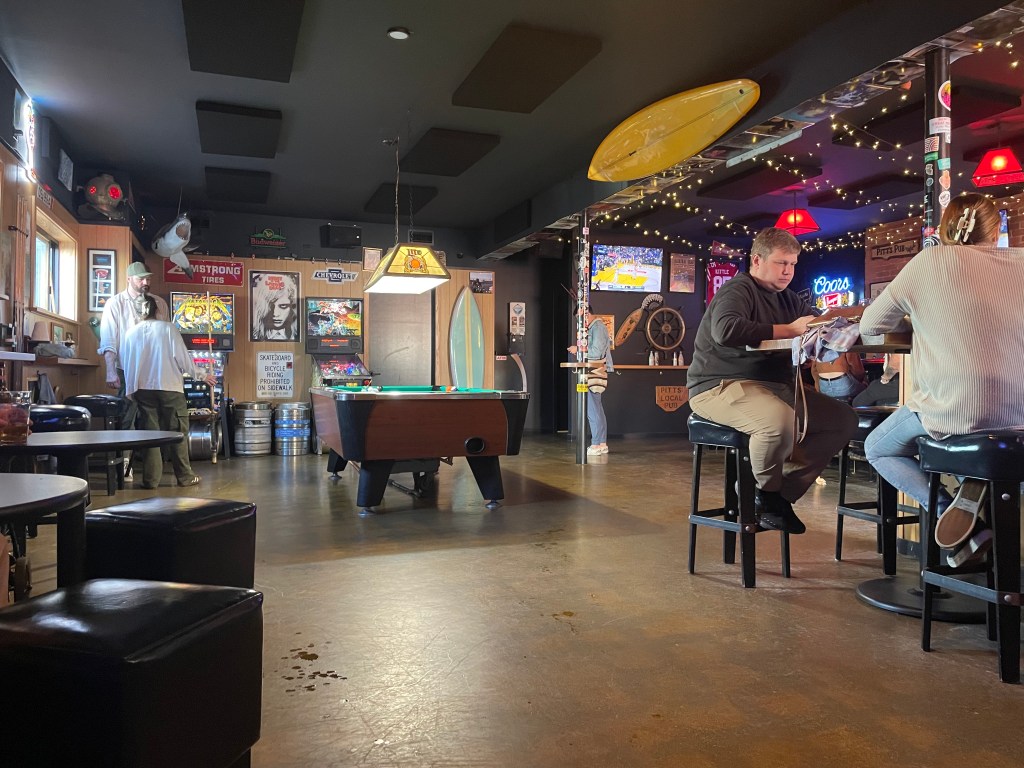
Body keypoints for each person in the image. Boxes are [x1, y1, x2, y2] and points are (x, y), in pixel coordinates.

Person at [862, 192, 1024, 567]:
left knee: (878, 447)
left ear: (946, 228)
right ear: (996, 229)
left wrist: (919, 315)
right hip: (1017, 415)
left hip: (958, 408)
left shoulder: (929, 262)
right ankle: (976, 483)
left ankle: (949, 509)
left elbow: (871, 325)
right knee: (984, 434)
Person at [686, 227, 859, 534]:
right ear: (756, 260)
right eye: (781, 263)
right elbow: (726, 331)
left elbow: (813, 327)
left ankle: (773, 497)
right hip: (720, 384)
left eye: (793, 264)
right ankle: (765, 495)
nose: (788, 271)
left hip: (775, 387)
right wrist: (791, 330)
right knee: (779, 423)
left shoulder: (790, 300)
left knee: (842, 419)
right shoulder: (738, 290)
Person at [121, 295, 216, 489]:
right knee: (177, 432)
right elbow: (183, 359)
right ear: (158, 310)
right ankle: (185, 477)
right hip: (169, 387)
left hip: (142, 388)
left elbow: (125, 363)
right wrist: (202, 375)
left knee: (150, 434)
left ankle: (150, 480)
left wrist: (131, 392)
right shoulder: (168, 329)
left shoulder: (130, 333)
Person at [97, 260, 170, 477]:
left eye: (148, 278)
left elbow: (164, 339)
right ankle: (125, 464)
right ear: (129, 278)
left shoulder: (159, 303)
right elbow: (108, 341)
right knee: (126, 418)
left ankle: (151, 469)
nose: (146, 282)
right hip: (126, 368)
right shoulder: (115, 304)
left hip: (152, 370)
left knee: (153, 419)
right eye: (141, 278)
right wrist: (110, 371)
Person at [567, 305, 613, 456]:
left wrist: (577, 349)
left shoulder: (598, 327)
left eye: (580, 318)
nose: (580, 322)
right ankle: (601, 443)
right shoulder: (594, 327)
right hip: (593, 372)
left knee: (592, 410)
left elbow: (596, 353)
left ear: (587, 314)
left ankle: (596, 443)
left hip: (594, 373)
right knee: (596, 409)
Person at [251, 272, 298, 341]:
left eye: (283, 306)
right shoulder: (255, 335)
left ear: (291, 306)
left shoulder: (296, 334)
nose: (275, 314)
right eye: (270, 306)